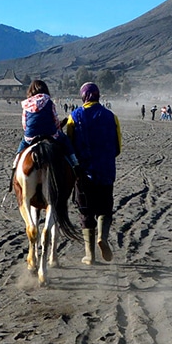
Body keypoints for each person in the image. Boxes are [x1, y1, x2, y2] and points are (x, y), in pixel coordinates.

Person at [64, 82, 121, 265]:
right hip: (105, 171)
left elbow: (69, 145)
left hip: (83, 173)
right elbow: (117, 147)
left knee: (85, 212)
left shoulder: (74, 116)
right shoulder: (111, 117)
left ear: (83, 96)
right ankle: (102, 238)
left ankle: (89, 255)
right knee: (105, 209)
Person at [15, 79, 77, 169]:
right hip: (49, 133)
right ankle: (74, 161)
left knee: (23, 142)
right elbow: (55, 120)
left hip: (31, 135)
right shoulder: (49, 101)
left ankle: (16, 162)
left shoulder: (26, 104)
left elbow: (24, 124)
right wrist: (58, 126)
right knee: (65, 139)